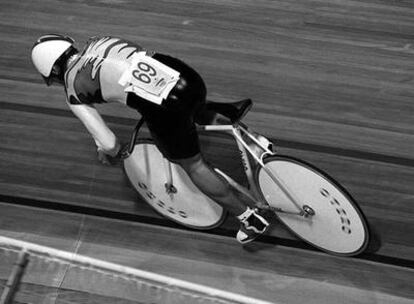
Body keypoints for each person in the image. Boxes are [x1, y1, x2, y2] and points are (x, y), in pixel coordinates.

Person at [31, 34, 269, 243]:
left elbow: (110, 143)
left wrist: (111, 152)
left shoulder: (73, 91)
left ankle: (249, 218)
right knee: (193, 106)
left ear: (52, 71)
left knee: (193, 164)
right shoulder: (98, 40)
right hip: (187, 77)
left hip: (166, 106)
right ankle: (256, 145)